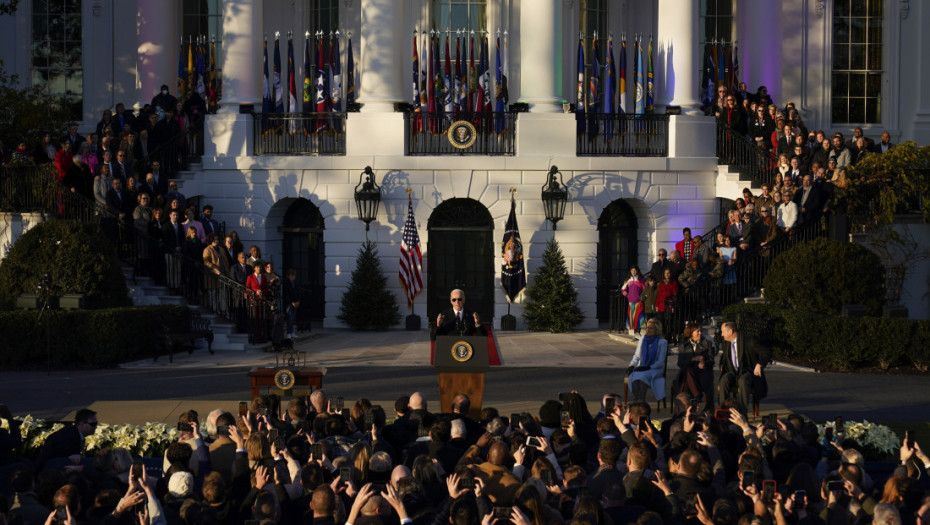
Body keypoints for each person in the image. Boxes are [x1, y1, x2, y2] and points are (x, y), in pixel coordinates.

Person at [718, 321, 771, 412]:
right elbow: (724, 356)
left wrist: (759, 364)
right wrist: (721, 364)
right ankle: (724, 411)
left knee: (743, 381)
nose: (722, 335)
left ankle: (743, 413)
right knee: (723, 380)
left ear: (730, 332)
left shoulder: (749, 341)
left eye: (723, 332)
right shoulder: (726, 343)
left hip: (748, 371)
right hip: (732, 371)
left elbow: (766, 353)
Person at [627, 319, 667, 403]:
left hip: (654, 368)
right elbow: (637, 356)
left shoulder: (662, 342)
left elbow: (660, 361)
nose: (648, 330)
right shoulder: (642, 339)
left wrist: (648, 367)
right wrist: (631, 365)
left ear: (657, 330)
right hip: (642, 367)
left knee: (641, 376)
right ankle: (636, 400)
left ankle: (640, 401)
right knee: (635, 375)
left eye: (651, 328)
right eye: (647, 328)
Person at [677, 323, 715, 408]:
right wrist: (692, 359)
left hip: (702, 373)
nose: (700, 333)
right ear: (691, 333)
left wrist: (704, 364)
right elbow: (680, 363)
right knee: (688, 371)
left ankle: (682, 407)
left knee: (686, 380)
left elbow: (712, 361)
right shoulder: (683, 346)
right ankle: (698, 397)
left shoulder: (707, 343)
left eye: (700, 331)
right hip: (688, 373)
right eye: (697, 331)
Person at [620, 265, 646, 337]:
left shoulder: (641, 279)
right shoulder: (628, 280)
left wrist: (642, 297)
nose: (633, 272)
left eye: (634, 270)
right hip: (631, 302)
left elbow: (645, 289)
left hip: (639, 302)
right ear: (630, 271)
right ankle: (636, 334)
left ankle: (638, 333)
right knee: (633, 318)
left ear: (637, 271)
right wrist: (627, 295)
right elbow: (622, 290)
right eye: (632, 270)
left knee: (639, 317)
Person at [282, 269, 301, 339]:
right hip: (289, 303)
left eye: (293, 276)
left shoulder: (295, 283)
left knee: (293, 318)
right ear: (288, 276)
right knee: (290, 318)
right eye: (291, 276)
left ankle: (292, 332)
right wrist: (292, 302)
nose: (292, 277)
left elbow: (298, 292)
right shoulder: (286, 283)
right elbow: (286, 295)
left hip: (295, 302)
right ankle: (288, 333)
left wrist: (298, 301)